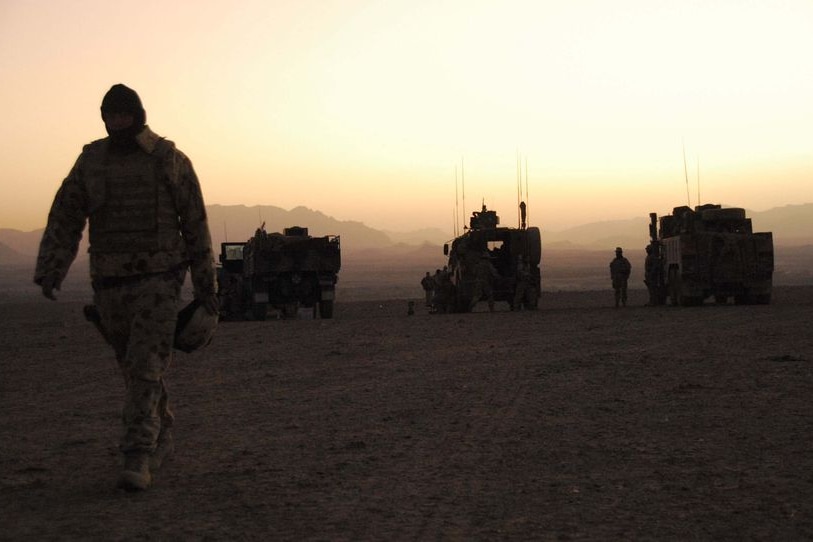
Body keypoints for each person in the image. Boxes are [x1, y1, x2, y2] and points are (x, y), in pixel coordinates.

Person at [33, 84, 218, 492]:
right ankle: (162, 429)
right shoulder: (92, 161)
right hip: (110, 285)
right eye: (110, 115)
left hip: (159, 281)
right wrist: (52, 268)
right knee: (134, 368)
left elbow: (196, 224)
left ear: (138, 115)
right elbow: (66, 214)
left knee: (145, 366)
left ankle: (137, 454)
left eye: (124, 114)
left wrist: (207, 289)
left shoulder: (167, 159)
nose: (117, 122)